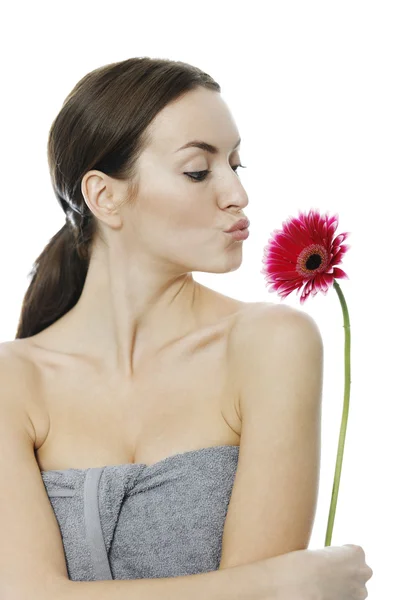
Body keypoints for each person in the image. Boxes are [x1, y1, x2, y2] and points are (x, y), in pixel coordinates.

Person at [0, 56, 372, 599]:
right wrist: (281, 583)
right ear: (105, 196)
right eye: (199, 171)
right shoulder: (13, 380)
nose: (237, 196)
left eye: (236, 166)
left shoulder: (270, 344)